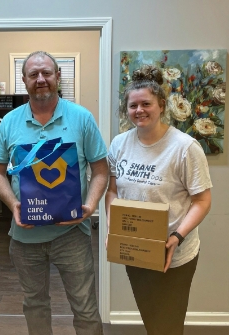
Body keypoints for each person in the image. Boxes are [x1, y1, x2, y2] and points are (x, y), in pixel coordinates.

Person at [0, 51, 108, 335]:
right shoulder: (9, 122)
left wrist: (89, 207)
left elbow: (101, 170)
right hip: (25, 238)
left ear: (57, 76)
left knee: (86, 308)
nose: (40, 79)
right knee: (35, 306)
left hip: (72, 236)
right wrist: (13, 203)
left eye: (46, 73)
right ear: (24, 80)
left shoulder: (81, 118)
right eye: (33, 75)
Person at [106, 65, 212, 335]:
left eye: (146, 104)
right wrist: (113, 229)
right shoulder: (119, 144)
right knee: (151, 318)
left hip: (174, 252)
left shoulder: (185, 147)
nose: (139, 110)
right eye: (132, 106)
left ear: (162, 105)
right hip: (137, 249)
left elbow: (202, 200)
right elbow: (113, 191)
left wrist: (177, 236)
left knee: (169, 323)